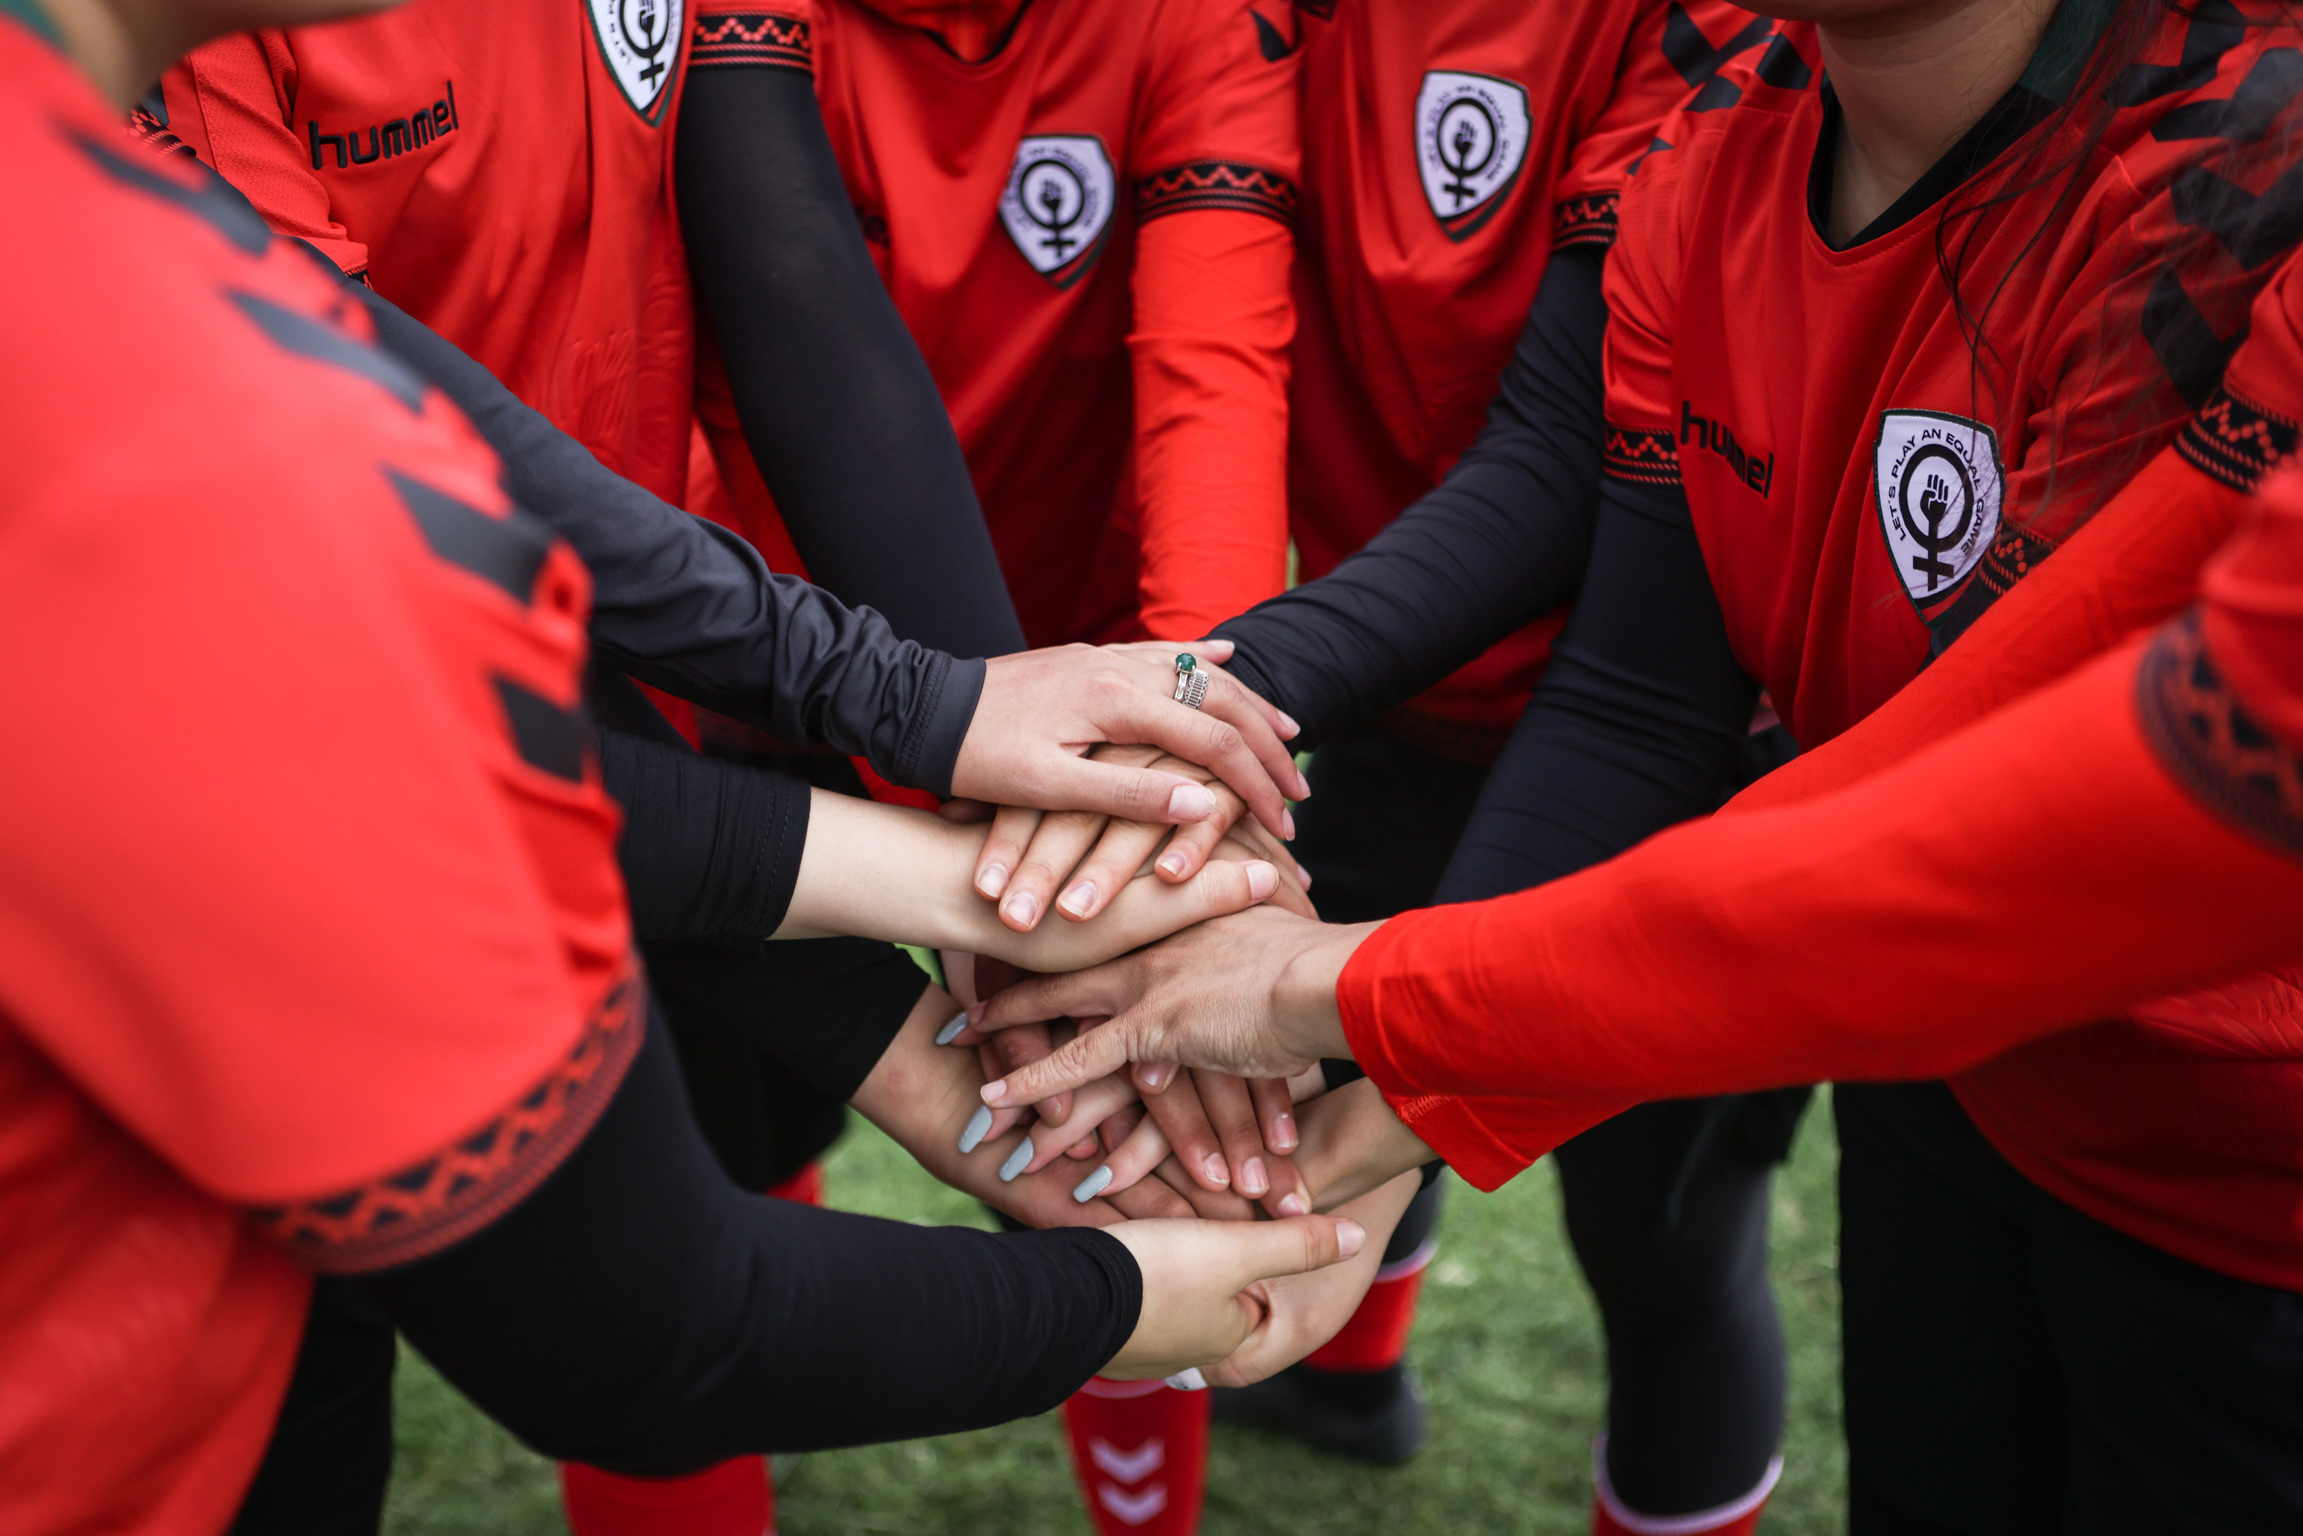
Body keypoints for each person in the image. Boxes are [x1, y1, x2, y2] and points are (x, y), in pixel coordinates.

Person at [0, 6, 1376, 1533]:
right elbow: (646, 1330)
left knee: (301, 1378)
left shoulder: (122, 262)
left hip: (567, 742)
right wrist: (1121, 1295)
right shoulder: (178, 406)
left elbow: (780, 279)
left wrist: (1001, 877)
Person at [974, 0, 2303, 1528]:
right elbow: (1638, 698)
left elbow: (1981, 792)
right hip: (1948, 1067)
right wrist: (1360, 1123)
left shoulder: (2238, 159)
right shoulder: (1719, 139)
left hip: (2248, 1187)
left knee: (1672, 1254)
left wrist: (1354, 1000)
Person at [678, 5, 1303, 1526]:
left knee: (1122, 1094)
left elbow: (1214, 377)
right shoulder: (728, 29)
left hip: (1068, 681)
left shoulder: (1195, 23)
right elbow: (758, 303)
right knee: (714, 1161)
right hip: (739, 659)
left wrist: (1183, 782)